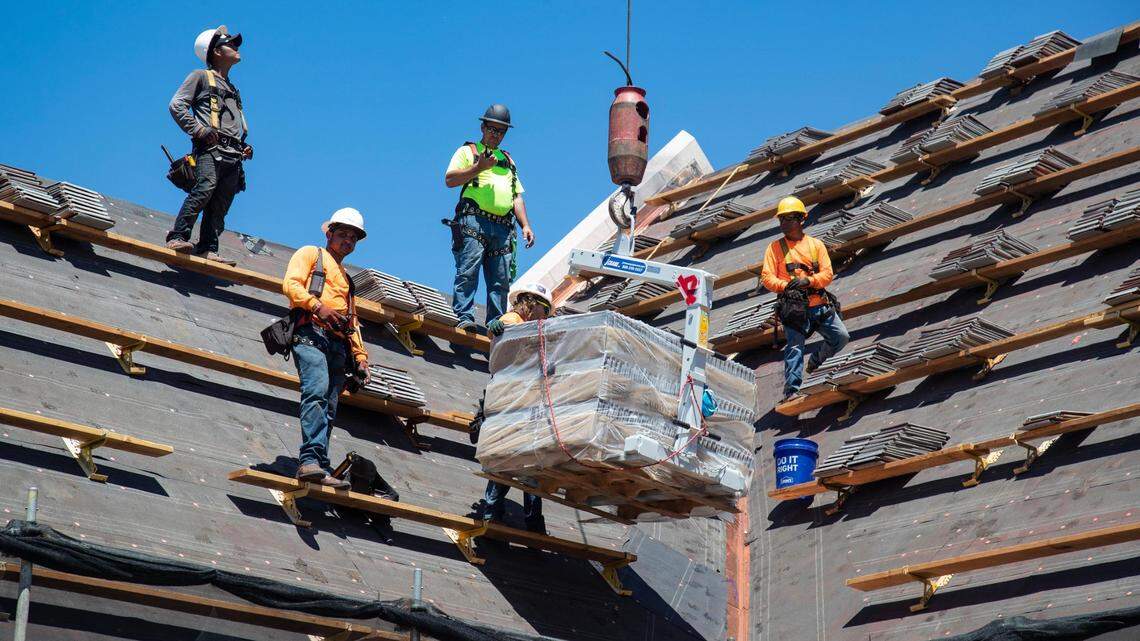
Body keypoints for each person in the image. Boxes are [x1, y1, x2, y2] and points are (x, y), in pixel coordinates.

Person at [282, 208, 371, 488]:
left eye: (353, 237)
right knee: (317, 393)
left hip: (337, 345)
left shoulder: (348, 280)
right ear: (329, 234)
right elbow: (290, 285)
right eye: (343, 234)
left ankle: (318, 465)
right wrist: (318, 305)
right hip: (310, 333)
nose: (348, 240)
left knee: (330, 408)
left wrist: (360, 356)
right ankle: (309, 460)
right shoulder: (311, 254)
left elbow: (353, 322)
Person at [444, 104, 536, 332]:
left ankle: (496, 322)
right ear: (483, 127)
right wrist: (478, 167)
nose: (496, 135)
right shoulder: (469, 151)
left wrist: (525, 224)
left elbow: (516, 196)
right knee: (469, 270)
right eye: (492, 129)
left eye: (501, 131)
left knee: (500, 280)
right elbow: (450, 180)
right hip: (474, 221)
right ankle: (463, 316)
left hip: (503, 227)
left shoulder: (508, 160)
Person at [165, 25, 252, 266]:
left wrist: (244, 145)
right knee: (204, 189)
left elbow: (231, 123)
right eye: (230, 43)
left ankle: (207, 248)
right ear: (214, 52)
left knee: (221, 202)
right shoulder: (200, 77)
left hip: (233, 154)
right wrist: (199, 130)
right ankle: (178, 236)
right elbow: (177, 105)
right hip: (210, 151)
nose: (235, 46)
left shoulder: (233, 89)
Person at [471, 282, 552, 533]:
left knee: (524, 461)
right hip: (511, 399)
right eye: (545, 310)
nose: (547, 317)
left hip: (517, 398)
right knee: (509, 459)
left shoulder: (520, 325)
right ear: (534, 304)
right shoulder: (513, 321)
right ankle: (498, 515)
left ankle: (509, 516)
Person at [761, 196, 849, 402]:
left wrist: (808, 281)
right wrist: (787, 286)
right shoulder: (774, 248)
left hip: (819, 305)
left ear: (801, 219)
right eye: (781, 219)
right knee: (794, 347)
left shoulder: (815, 245)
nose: (783, 223)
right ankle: (792, 391)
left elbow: (827, 274)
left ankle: (817, 359)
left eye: (788, 218)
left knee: (841, 336)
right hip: (794, 309)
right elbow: (767, 277)